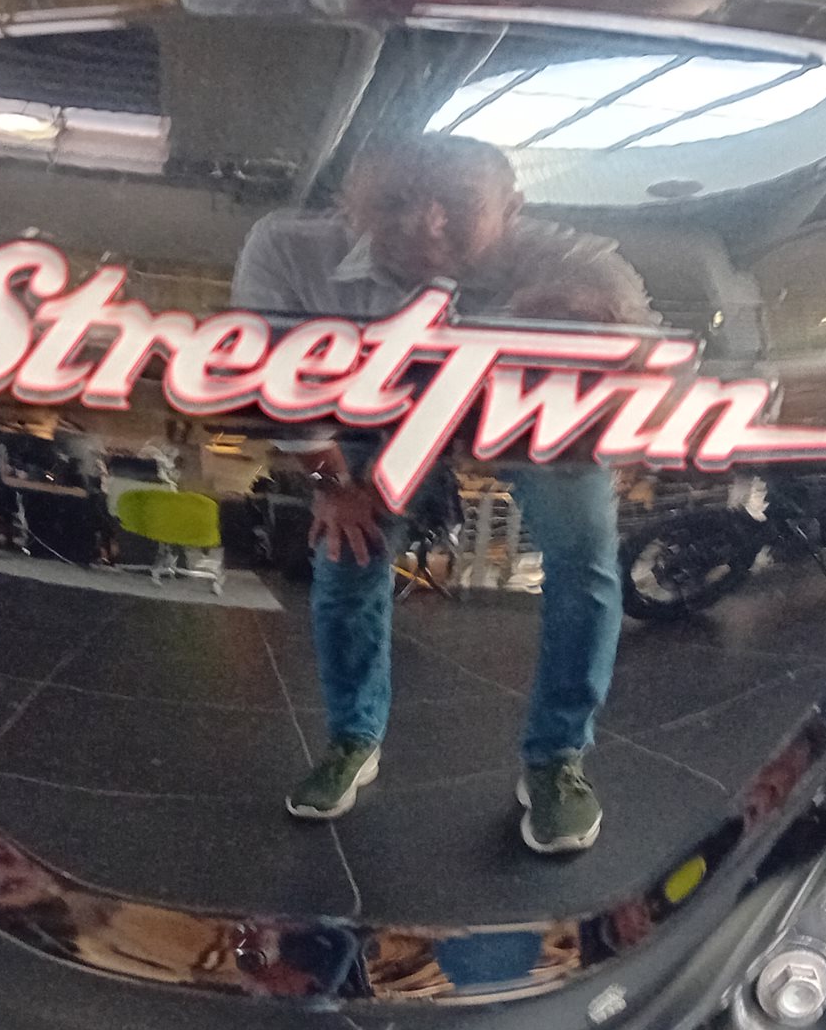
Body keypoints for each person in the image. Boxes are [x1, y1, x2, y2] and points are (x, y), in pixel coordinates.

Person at [232, 136, 651, 854]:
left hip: (519, 398)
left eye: (458, 204)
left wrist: (616, 377)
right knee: (345, 557)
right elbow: (278, 387)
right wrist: (332, 489)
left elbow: (652, 364)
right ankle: (353, 738)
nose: (425, 225)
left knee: (585, 558)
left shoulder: (575, 262)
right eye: (394, 201)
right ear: (345, 206)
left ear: (512, 210)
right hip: (378, 400)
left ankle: (557, 757)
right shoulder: (288, 249)